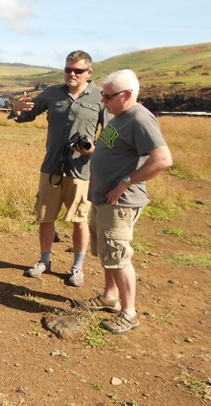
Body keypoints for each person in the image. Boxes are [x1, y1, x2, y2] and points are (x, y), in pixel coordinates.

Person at [76, 69, 172, 334]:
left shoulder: (140, 118)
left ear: (127, 94)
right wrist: (89, 149)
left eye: (108, 96)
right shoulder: (118, 118)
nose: (104, 101)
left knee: (118, 255)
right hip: (102, 198)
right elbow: (104, 148)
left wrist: (126, 181)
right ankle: (109, 296)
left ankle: (129, 313)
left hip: (120, 203)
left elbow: (162, 159)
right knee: (107, 252)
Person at [10, 50, 109, 287]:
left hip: (81, 169)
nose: (72, 74)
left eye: (78, 70)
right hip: (51, 166)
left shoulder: (101, 97)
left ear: (89, 72)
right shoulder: (52, 93)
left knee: (79, 219)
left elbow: (112, 132)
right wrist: (16, 108)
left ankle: (77, 267)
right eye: (68, 69)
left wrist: (95, 149)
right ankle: (44, 261)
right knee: (46, 217)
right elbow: (26, 116)